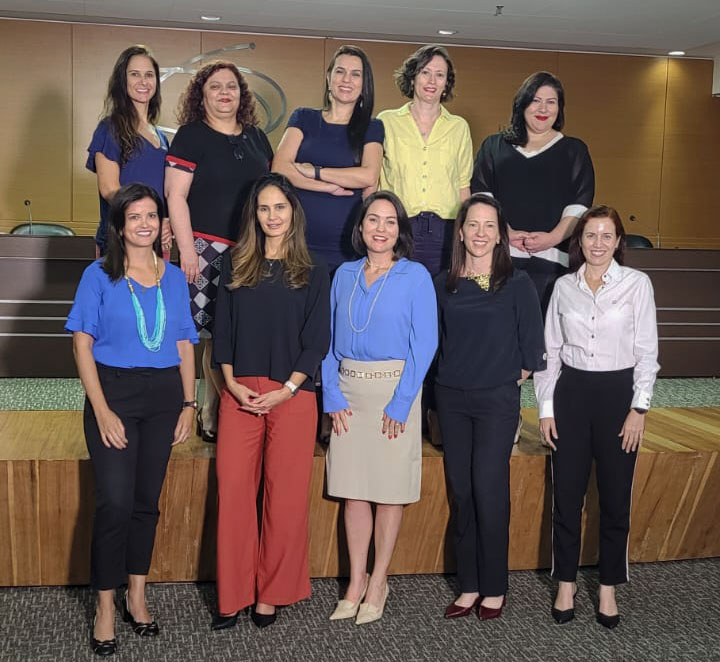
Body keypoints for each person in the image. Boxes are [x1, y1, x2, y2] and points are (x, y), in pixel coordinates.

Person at [66, 183, 198, 656]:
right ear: (119, 225)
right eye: (134, 216)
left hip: (164, 396)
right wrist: (102, 410)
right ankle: (104, 605)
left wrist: (189, 404)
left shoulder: (175, 278)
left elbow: (184, 342)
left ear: (162, 223)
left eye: (151, 216)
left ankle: (136, 596)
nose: (144, 224)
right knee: (115, 503)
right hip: (114, 393)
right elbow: (81, 344)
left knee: (146, 502)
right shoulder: (98, 275)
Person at [210, 174, 330, 631]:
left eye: (280, 207)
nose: (272, 216)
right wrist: (230, 383)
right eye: (264, 208)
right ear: (254, 215)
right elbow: (222, 331)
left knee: (285, 499)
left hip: (292, 394)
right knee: (235, 494)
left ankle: (271, 594)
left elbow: (317, 340)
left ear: (293, 212)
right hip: (239, 391)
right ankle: (233, 594)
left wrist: (289, 388)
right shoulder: (234, 262)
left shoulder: (314, 270)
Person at [534, 205, 659, 629]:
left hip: (618, 398)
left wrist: (639, 408)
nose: (598, 243)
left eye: (607, 235)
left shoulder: (637, 285)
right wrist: (546, 409)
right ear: (580, 241)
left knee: (615, 499)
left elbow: (647, 352)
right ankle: (565, 583)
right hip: (571, 395)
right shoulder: (563, 287)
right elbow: (550, 352)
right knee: (567, 498)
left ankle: (608, 586)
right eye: (591, 235)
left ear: (619, 241)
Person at [322, 191, 437, 625]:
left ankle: (379, 581)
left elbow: (424, 344)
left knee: (388, 493)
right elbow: (326, 340)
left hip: (394, 393)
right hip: (348, 394)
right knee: (353, 492)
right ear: (361, 226)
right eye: (373, 219)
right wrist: (331, 394)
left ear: (400, 230)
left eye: (390, 221)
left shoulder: (415, 276)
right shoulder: (344, 275)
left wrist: (403, 402)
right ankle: (356, 581)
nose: (381, 228)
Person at [434, 193, 545, 621]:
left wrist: (502, 380)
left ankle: (495, 585)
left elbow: (532, 349)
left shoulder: (517, 283)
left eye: (489, 226)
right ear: (460, 233)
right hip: (451, 399)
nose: (480, 233)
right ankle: (469, 584)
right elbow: (436, 342)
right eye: (473, 225)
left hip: (496, 401)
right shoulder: (443, 283)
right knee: (461, 491)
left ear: (500, 236)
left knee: (488, 487)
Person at [166, 61, 273, 443]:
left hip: (250, 250)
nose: (225, 92)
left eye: (232, 86)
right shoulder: (191, 136)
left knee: (238, 335)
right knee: (212, 334)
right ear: (202, 94)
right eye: (215, 86)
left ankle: (218, 410)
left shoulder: (257, 138)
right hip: (204, 248)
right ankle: (215, 410)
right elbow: (175, 196)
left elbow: (272, 193)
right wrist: (187, 250)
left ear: (242, 94)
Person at [471, 71, 595, 314]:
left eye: (551, 102)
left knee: (544, 331)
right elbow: (481, 196)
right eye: (536, 100)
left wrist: (552, 238)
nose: (543, 109)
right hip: (499, 258)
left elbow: (580, 203)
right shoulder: (494, 146)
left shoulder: (574, 150)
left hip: (553, 262)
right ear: (522, 103)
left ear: (559, 108)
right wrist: (505, 233)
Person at [273, 45, 384, 273]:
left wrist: (314, 171)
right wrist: (328, 186)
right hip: (297, 239)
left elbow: (368, 176)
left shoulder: (372, 127)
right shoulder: (304, 117)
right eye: (340, 71)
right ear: (328, 77)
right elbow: (280, 168)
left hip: (345, 244)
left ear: (364, 84)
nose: (346, 80)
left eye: (355, 74)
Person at [378, 44, 473, 277]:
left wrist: (467, 232)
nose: (432, 81)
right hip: (397, 226)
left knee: (441, 293)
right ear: (413, 78)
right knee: (397, 291)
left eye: (440, 75)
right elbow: (374, 179)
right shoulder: (386, 121)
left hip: (445, 231)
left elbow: (463, 186)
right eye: (425, 72)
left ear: (446, 84)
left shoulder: (459, 127)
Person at [87, 45, 172, 257]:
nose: (143, 81)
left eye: (149, 75)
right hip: (122, 238)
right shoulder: (109, 128)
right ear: (122, 80)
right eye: (135, 74)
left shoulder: (161, 137)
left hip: (155, 239)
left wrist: (166, 220)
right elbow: (109, 189)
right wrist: (143, 218)